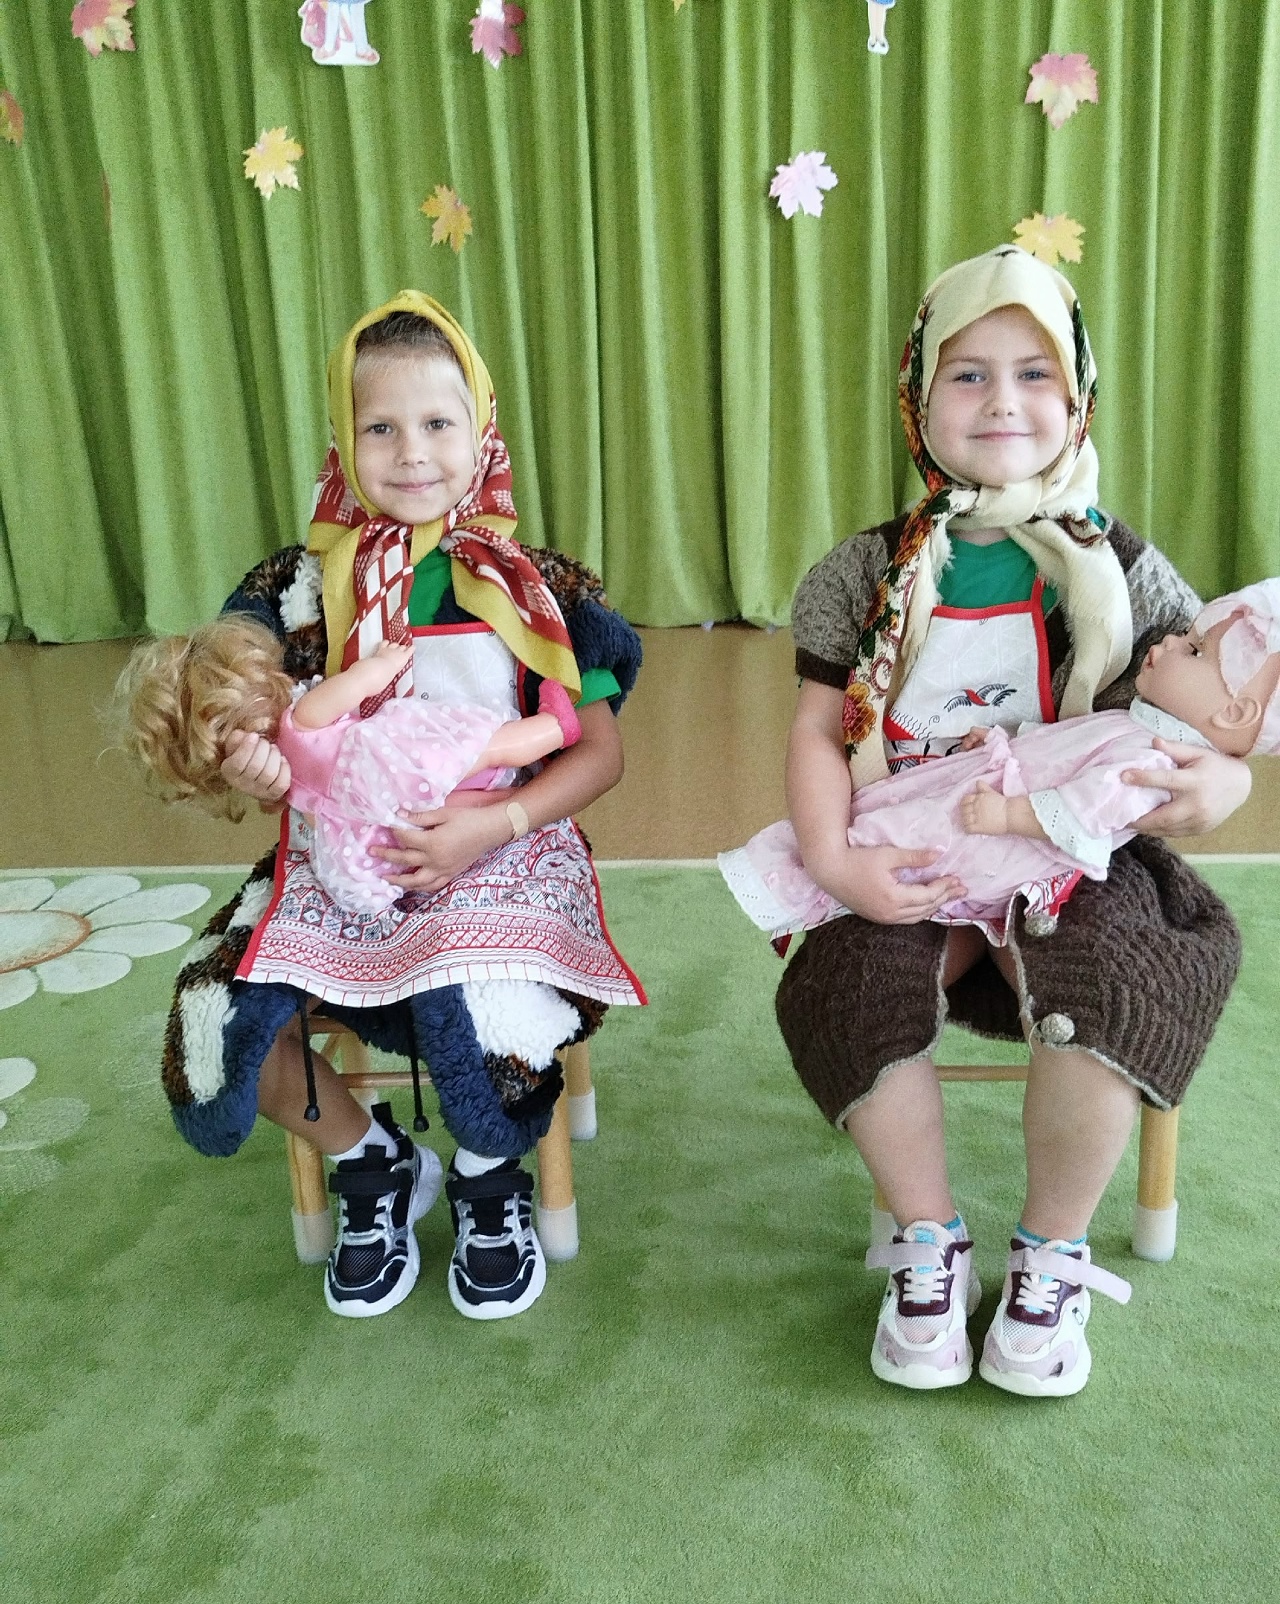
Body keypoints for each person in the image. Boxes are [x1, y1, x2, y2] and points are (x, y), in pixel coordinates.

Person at [770, 246, 1248, 1398]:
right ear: (916, 395)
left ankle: (1050, 1251)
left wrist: (1223, 787)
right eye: (967, 374)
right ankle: (926, 1237)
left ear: (1077, 401)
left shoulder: (1117, 565)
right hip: (914, 842)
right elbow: (816, 732)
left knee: (1120, 977)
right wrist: (833, 858)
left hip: (1070, 850)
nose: (1001, 402)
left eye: (1034, 374)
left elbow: (1214, 716)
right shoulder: (861, 570)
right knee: (850, 977)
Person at [160, 291, 644, 1323]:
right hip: (337, 858)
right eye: (379, 427)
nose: (411, 452)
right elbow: (241, 709)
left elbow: (596, 752)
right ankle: (372, 1158)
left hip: (505, 849)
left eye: (436, 423)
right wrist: (251, 761)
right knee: (223, 1017)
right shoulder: (293, 589)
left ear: (483, 430)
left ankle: (486, 1171)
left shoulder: (542, 584)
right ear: (344, 437)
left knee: (480, 1006)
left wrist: (492, 826)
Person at [722, 580, 1280, 946]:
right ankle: (826, 870)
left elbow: (1091, 807)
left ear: (1235, 711)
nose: (1170, 641)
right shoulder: (1142, 724)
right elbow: (1064, 747)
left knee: (924, 837)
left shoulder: (1154, 754)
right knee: (898, 825)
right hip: (990, 797)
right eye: (1186, 638)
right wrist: (831, 863)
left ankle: (822, 874)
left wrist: (1009, 815)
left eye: (1193, 649)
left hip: (1011, 838)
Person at [120, 622, 582, 916]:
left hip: (375, 814)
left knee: (441, 808)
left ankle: (500, 800)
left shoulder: (291, 783)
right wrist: (385, 662)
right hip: (397, 763)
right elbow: (359, 682)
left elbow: (318, 814)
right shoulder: (302, 718)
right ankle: (553, 729)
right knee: (487, 748)